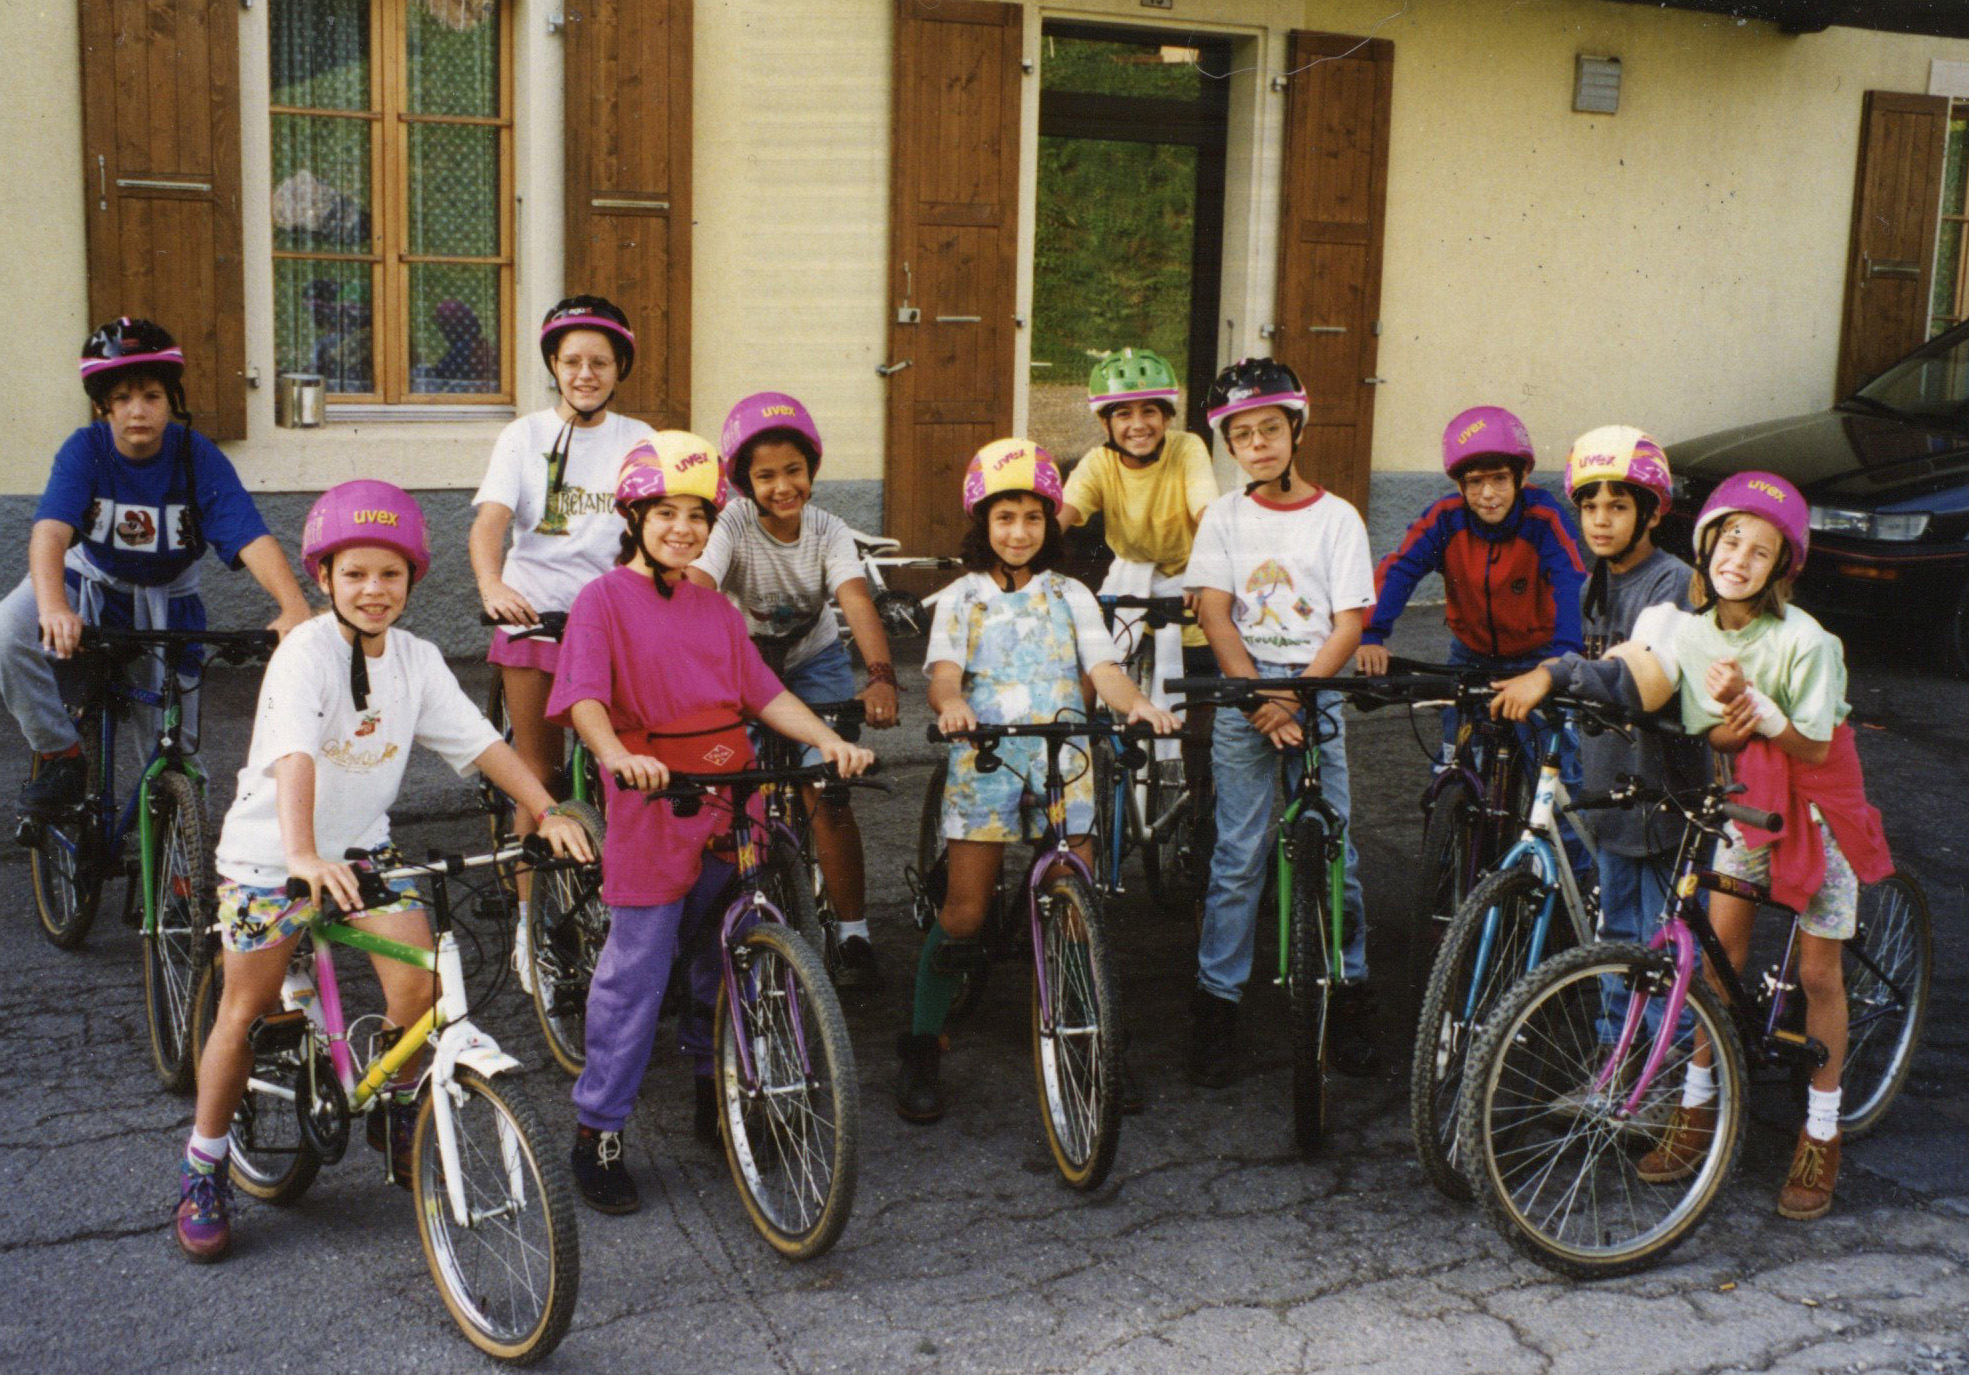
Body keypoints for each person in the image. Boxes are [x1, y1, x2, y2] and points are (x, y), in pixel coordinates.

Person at [175, 481, 594, 1262]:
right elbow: (295, 756)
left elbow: (482, 744)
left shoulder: (416, 660)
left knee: (420, 985)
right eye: (355, 573)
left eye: (391, 574)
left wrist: (546, 809)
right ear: (324, 577)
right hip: (271, 854)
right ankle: (205, 1165)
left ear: (412, 580)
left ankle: (398, 1103)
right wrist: (302, 855)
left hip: (362, 850)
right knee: (245, 1006)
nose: (374, 589)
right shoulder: (304, 653)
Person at [547, 433, 873, 1214]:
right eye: (665, 512)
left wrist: (827, 740)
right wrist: (616, 754)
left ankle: (712, 1087)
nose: (683, 528)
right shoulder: (602, 601)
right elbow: (584, 695)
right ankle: (599, 1129)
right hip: (656, 795)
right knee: (636, 971)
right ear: (634, 517)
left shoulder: (714, 609)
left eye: (697, 515)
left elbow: (764, 693)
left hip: (732, 789)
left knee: (724, 957)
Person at [1626, 472, 1892, 1221]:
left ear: (1780, 568)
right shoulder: (1692, 631)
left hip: (1818, 803)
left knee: (1817, 972)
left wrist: (1765, 715)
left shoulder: (1808, 641)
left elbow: (1815, 746)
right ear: (1705, 546)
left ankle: (1820, 1131)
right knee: (1715, 960)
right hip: (1751, 797)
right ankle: (1697, 1105)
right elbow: (1707, 731)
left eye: (1759, 550)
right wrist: (1733, 721)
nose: (1738, 559)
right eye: (1730, 541)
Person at [895, 439, 1178, 1123]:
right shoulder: (962, 597)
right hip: (987, 757)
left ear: (1050, 524)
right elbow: (943, 675)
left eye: (1031, 517)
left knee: (1074, 903)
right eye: (1004, 518)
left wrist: (1134, 704)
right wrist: (951, 705)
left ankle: (1093, 1036)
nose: (1018, 532)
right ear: (982, 523)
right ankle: (922, 1041)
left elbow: (1103, 668)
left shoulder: (1071, 593)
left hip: (1063, 759)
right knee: (965, 912)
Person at [6, 318, 312, 819]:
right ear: (104, 406)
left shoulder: (196, 456)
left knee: (174, 748)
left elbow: (250, 536)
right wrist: (54, 606)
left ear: (171, 400)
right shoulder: (85, 449)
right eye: (123, 398)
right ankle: (61, 753)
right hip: (87, 583)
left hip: (167, 601)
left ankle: (180, 850)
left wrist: (293, 607)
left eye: (151, 396)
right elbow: (50, 533)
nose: (138, 410)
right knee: (7, 634)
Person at [1183, 359, 1378, 1085]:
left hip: (1314, 688)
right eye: (1242, 435)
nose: (1258, 444)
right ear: (1229, 445)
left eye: (1270, 428)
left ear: (1296, 430)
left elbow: (1349, 621)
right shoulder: (1224, 517)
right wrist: (1259, 698)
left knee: (1335, 847)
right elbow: (1214, 612)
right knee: (1238, 853)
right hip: (1247, 692)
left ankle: (1349, 989)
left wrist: (1294, 697)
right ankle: (1217, 1003)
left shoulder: (1337, 517)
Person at [1489, 426, 1707, 1042]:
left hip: (1666, 795)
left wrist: (1554, 673)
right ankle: (1615, 1055)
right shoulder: (1595, 586)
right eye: (1589, 507)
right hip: (1613, 790)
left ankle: (1670, 1073)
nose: (1601, 520)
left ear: (1652, 513)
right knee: (1614, 933)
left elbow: (1637, 676)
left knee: (1662, 943)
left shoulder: (1673, 583)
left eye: (1618, 506)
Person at [469, 296, 655, 991]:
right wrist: (492, 584)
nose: (585, 374)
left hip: (612, 620)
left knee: (624, 763)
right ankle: (529, 928)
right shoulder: (524, 436)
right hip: (536, 616)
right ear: (553, 364)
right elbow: (490, 523)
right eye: (571, 361)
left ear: (619, 369)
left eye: (599, 362)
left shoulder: (640, 438)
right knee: (538, 774)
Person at [685, 391, 900, 990]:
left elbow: (855, 601)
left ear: (812, 469)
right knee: (731, 788)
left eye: (794, 470)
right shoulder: (732, 522)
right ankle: (721, 923)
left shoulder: (828, 530)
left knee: (826, 787)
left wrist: (881, 677)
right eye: (766, 476)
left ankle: (854, 934)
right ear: (743, 482)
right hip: (744, 660)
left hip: (813, 657)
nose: (783, 486)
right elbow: (699, 584)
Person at [1356, 405, 1591, 888]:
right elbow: (1401, 567)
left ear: (1521, 476)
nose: (1487, 494)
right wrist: (1373, 633)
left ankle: (1575, 887)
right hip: (1471, 656)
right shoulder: (1444, 519)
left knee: (1557, 778)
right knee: (1453, 765)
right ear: (1459, 485)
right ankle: (1447, 870)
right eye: (1475, 482)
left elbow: (1570, 580)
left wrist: (1563, 656)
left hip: (1537, 657)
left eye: (1499, 479)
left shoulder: (1544, 518)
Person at [1056, 347, 1220, 793]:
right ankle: (1074, 769)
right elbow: (1059, 519)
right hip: (1130, 584)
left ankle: (1194, 792)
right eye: (1123, 413)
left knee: (1198, 708)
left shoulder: (1187, 448)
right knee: (1091, 671)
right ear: (1105, 423)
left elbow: (1207, 514)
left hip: (1189, 584)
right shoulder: (1099, 463)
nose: (1138, 424)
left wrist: (1206, 575)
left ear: (1166, 415)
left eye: (1150, 410)